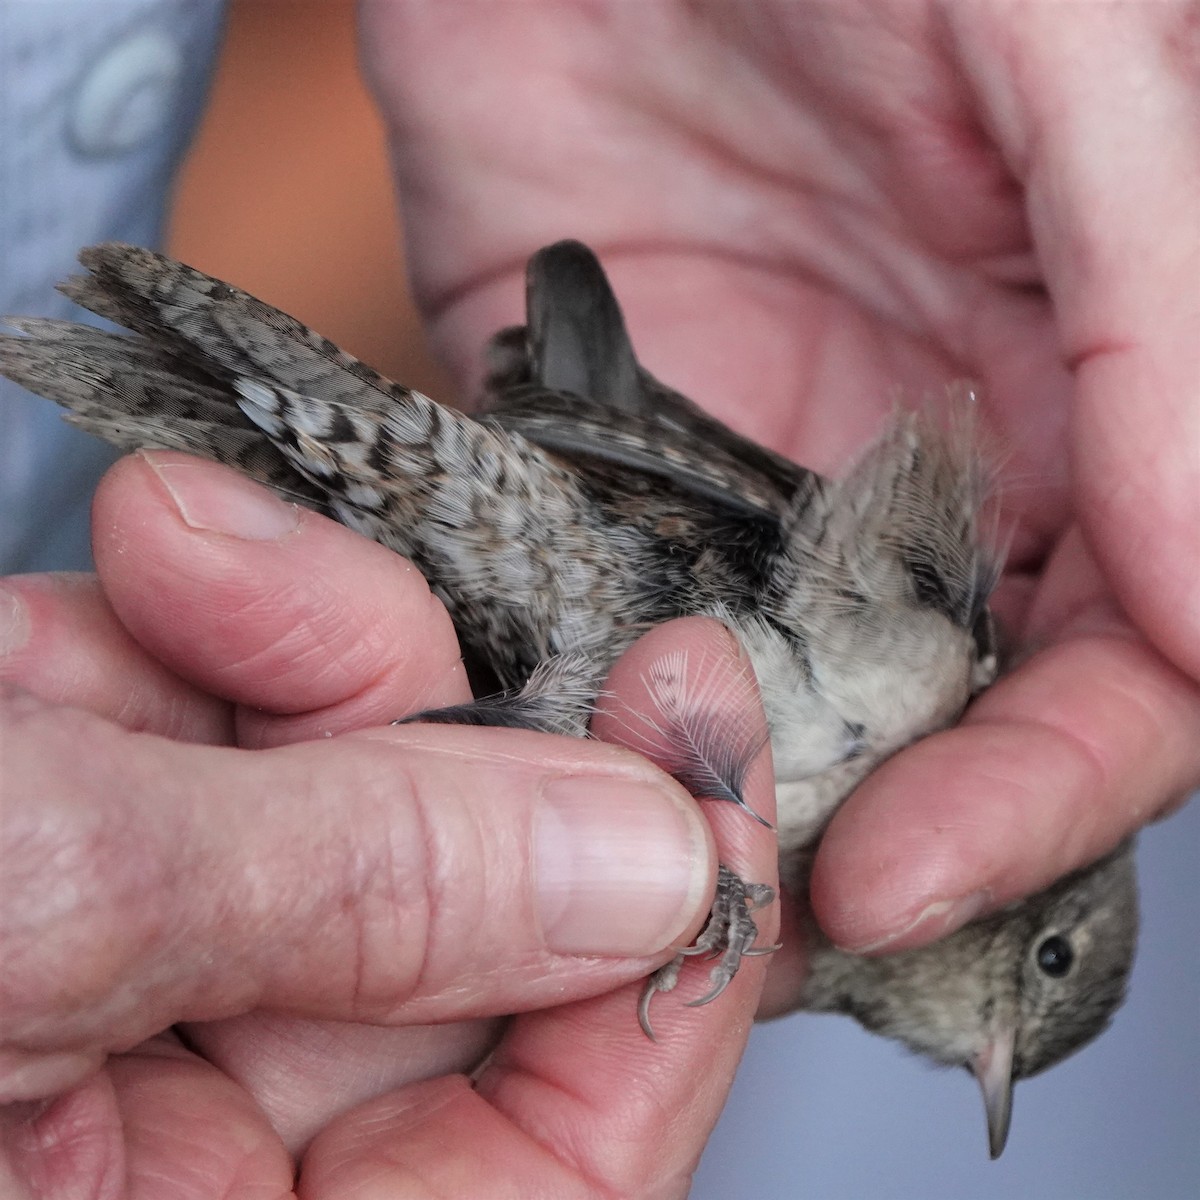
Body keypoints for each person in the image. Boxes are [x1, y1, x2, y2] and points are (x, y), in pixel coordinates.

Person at [2, 2, 1198, 1195]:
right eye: (1044, 964)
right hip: (589, 566)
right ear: (1037, 906)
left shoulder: (850, 848)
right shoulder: (935, 685)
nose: (980, 1053)